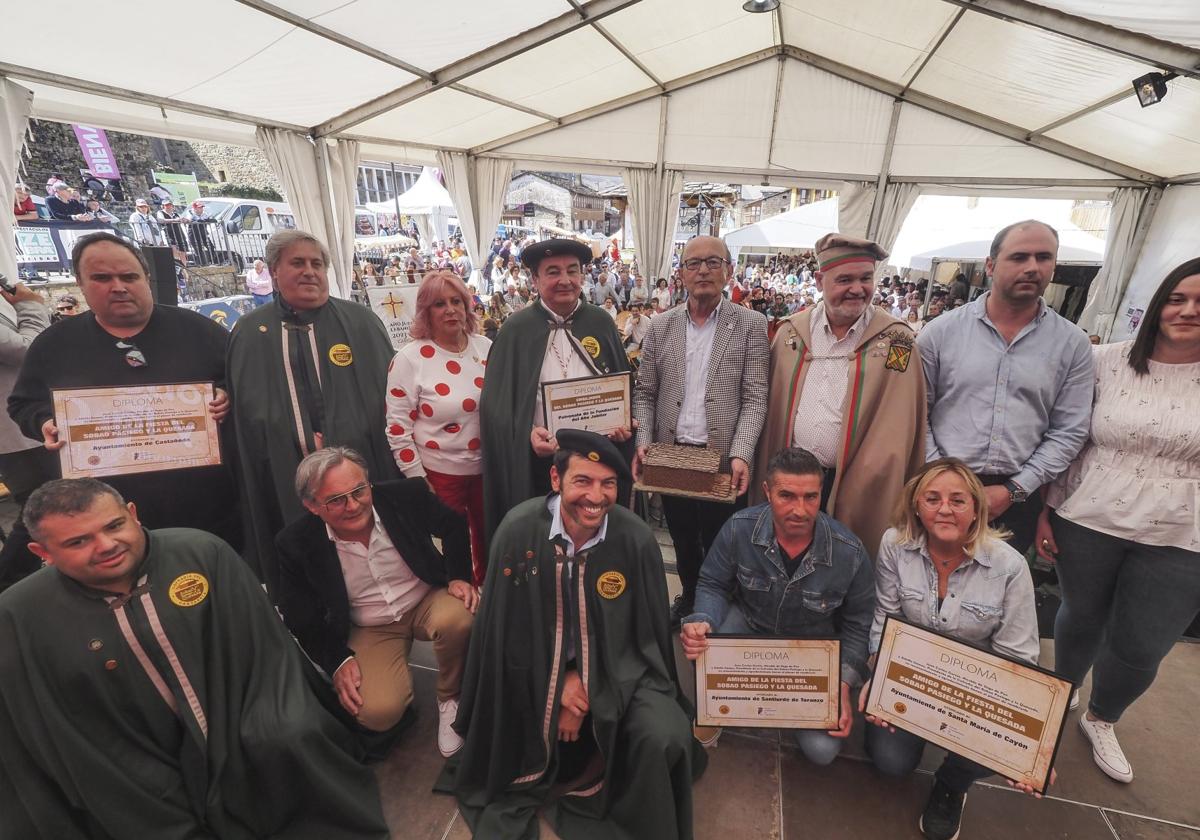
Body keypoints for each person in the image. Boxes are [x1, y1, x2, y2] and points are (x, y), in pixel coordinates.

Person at [0, 478, 389, 838]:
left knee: (287, 735)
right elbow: (52, 722)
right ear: (42, 553)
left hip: (236, 712)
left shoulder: (201, 552)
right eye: (78, 541)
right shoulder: (21, 615)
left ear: (133, 514)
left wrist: (264, 718)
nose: (106, 545)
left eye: (114, 526)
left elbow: (265, 652)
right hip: (125, 746)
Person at [448, 430, 706, 840]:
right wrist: (559, 682)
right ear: (556, 479)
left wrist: (588, 685)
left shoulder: (635, 539)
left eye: (608, 484)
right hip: (531, 672)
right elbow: (502, 637)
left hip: (617, 674)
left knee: (666, 734)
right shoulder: (517, 533)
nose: (596, 496)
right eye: (583, 481)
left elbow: (647, 642)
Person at [1036, 258, 1200, 785]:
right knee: (1080, 614)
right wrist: (1044, 508)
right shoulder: (1103, 361)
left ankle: (1104, 717)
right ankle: (1062, 688)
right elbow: (1070, 438)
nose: (1188, 311)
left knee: (1143, 641)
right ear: (1158, 304)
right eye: (1178, 298)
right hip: (1089, 514)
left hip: (1184, 530)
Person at [5, 233, 239, 586]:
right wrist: (45, 422)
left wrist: (226, 394)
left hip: (206, 507)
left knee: (208, 588)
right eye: (102, 278)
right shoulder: (54, 344)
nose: (118, 287)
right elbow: (23, 404)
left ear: (146, 279)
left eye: (129, 276)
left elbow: (241, 382)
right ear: (81, 285)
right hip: (103, 519)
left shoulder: (198, 330)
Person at [861, 458, 1042, 840]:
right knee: (890, 762)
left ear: (977, 510)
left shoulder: (1009, 567)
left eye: (958, 500)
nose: (944, 508)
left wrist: (1026, 745)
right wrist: (878, 676)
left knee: (1003, 748)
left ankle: (952, 782)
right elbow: (885, 618)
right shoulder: (895, 545)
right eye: (933, 498)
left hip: (977, 692)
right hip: (911, 679)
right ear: (916, 505)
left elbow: (1019, 661)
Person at [227, 229, 397, 595]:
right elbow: (248, 407)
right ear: (274, 271)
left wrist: (339, 437)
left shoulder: (360, 322)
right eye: (298, 263)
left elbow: (386, 398)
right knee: (309, 568)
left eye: (317, 264)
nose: (309, 272)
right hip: (286, 473)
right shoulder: (249, 332)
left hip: (360, 467)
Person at [277, 447, 476, 757]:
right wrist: (338, 660)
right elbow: (300, 616)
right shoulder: (294, 543)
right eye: (336, 500)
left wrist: (459, 576)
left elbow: (453, 526)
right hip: (369, 626)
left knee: (461, 617)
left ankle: (450, 695)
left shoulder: (406, 495)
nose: (354, 505)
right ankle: (394, 683)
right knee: (378, 713)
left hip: (426, 598)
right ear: (312, 506)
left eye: (359, 490)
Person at [680, 447, 875, 761]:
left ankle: (778, 699)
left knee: (822, 753)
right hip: (750, 624)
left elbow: (860, 622)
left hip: (810, 646)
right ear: (767, 491)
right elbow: (713, 583)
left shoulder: (848, 551)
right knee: (705, 641)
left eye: (810, 497)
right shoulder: (739, 528)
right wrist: (702, 619)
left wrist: (842, 683)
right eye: (787, 496)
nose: (800, 510)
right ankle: (718, 705)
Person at [918, 220, 1094, 554]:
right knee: (925, 587)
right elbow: (916, 415)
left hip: (1017, 498)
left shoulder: (1072, 343)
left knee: (997, 596)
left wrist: (1015, 489)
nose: (1032, 267)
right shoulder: (940, 334)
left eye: (1043, 257)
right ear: (990, 265)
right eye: (1019, 257)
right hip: (939, 486)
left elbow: (1069, 430)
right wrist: (944, 479)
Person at [754, 233, 925, 558]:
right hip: (792, 479)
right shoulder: (792, 333)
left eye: (866, 278)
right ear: (820, 280)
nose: (857, 289)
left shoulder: (896, 341)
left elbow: (903, 417)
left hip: (859, 484)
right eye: (845, 279)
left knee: (846, 563)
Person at [632, 235, 769, 623]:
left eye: (713, 262)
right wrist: (644, 444)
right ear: (681, 274)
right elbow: (645, 392)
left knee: (722, 541)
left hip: (722, 456)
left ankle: (718, 609)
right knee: (681, 537)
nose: (703, 270)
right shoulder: (661, 325)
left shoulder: (751, 325)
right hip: (672, 453)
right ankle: (690, 597)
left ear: (728, 270)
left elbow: (756, 396)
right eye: (694, 263)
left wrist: (742, 452)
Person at [479, 238, 632, 540]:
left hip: (597, 463)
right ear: (534, 279)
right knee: (543, 543)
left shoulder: (600, 322)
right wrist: (525, 434)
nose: (565, 280)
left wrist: (625, 423)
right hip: (540, 466)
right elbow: (494, 410)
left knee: (597, 540)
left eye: (572, 271)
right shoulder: (515, 330)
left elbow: (623, 388)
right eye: (553, 272)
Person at [385, 270, 492, 585]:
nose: (450, 309)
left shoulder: (485, 347)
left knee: (491, 543)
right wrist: (418, 480)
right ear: (425, 311)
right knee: (456, 556)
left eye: (456, 301)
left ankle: (493, 612)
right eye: (439, 304)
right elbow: (397, 429)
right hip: (440, 476)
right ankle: (465, 618)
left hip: (489, 470)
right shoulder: (409, 359)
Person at [185, 200, 216, 265]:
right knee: (198, 250)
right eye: (199, 207)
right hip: (194, 235)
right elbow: (189, 220)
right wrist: (200, 221)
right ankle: (200, 265)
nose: (201, 209)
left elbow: (211, 219)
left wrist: (207, 220)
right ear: (195, 208)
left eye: (201, 207)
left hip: (203, 233)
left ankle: (212, 262)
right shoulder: (190, 213)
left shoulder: (204, 214)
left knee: (211, 247)